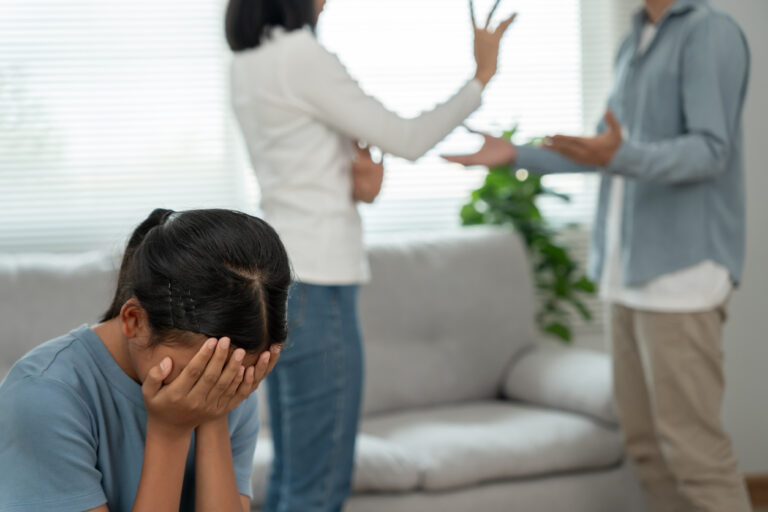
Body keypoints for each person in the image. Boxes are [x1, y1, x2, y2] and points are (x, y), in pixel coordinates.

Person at [443, 1, 752, 511]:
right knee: (645, 449)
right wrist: (518, 155)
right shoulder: (636, 41)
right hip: (625, 272)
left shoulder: (708, 32)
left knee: (694, 454)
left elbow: (708, 151)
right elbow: (605, 153)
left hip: (681, 276)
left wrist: (620, 154)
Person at [224, 0, 515, 510]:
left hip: (278, 278)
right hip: (319, 280)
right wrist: (480, 77)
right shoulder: (300, 56)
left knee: (294, 474)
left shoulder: (248, 64)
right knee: (320, 484)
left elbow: (299, 167)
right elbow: (407, 138)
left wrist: (353, 180)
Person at [0, 208, 290, 512]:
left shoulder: (232, 382)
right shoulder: (41, 399)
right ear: (134, 320)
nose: (215, 385)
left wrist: (214, 417)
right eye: (201, 371)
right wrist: (170, 433)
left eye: (234, 372)